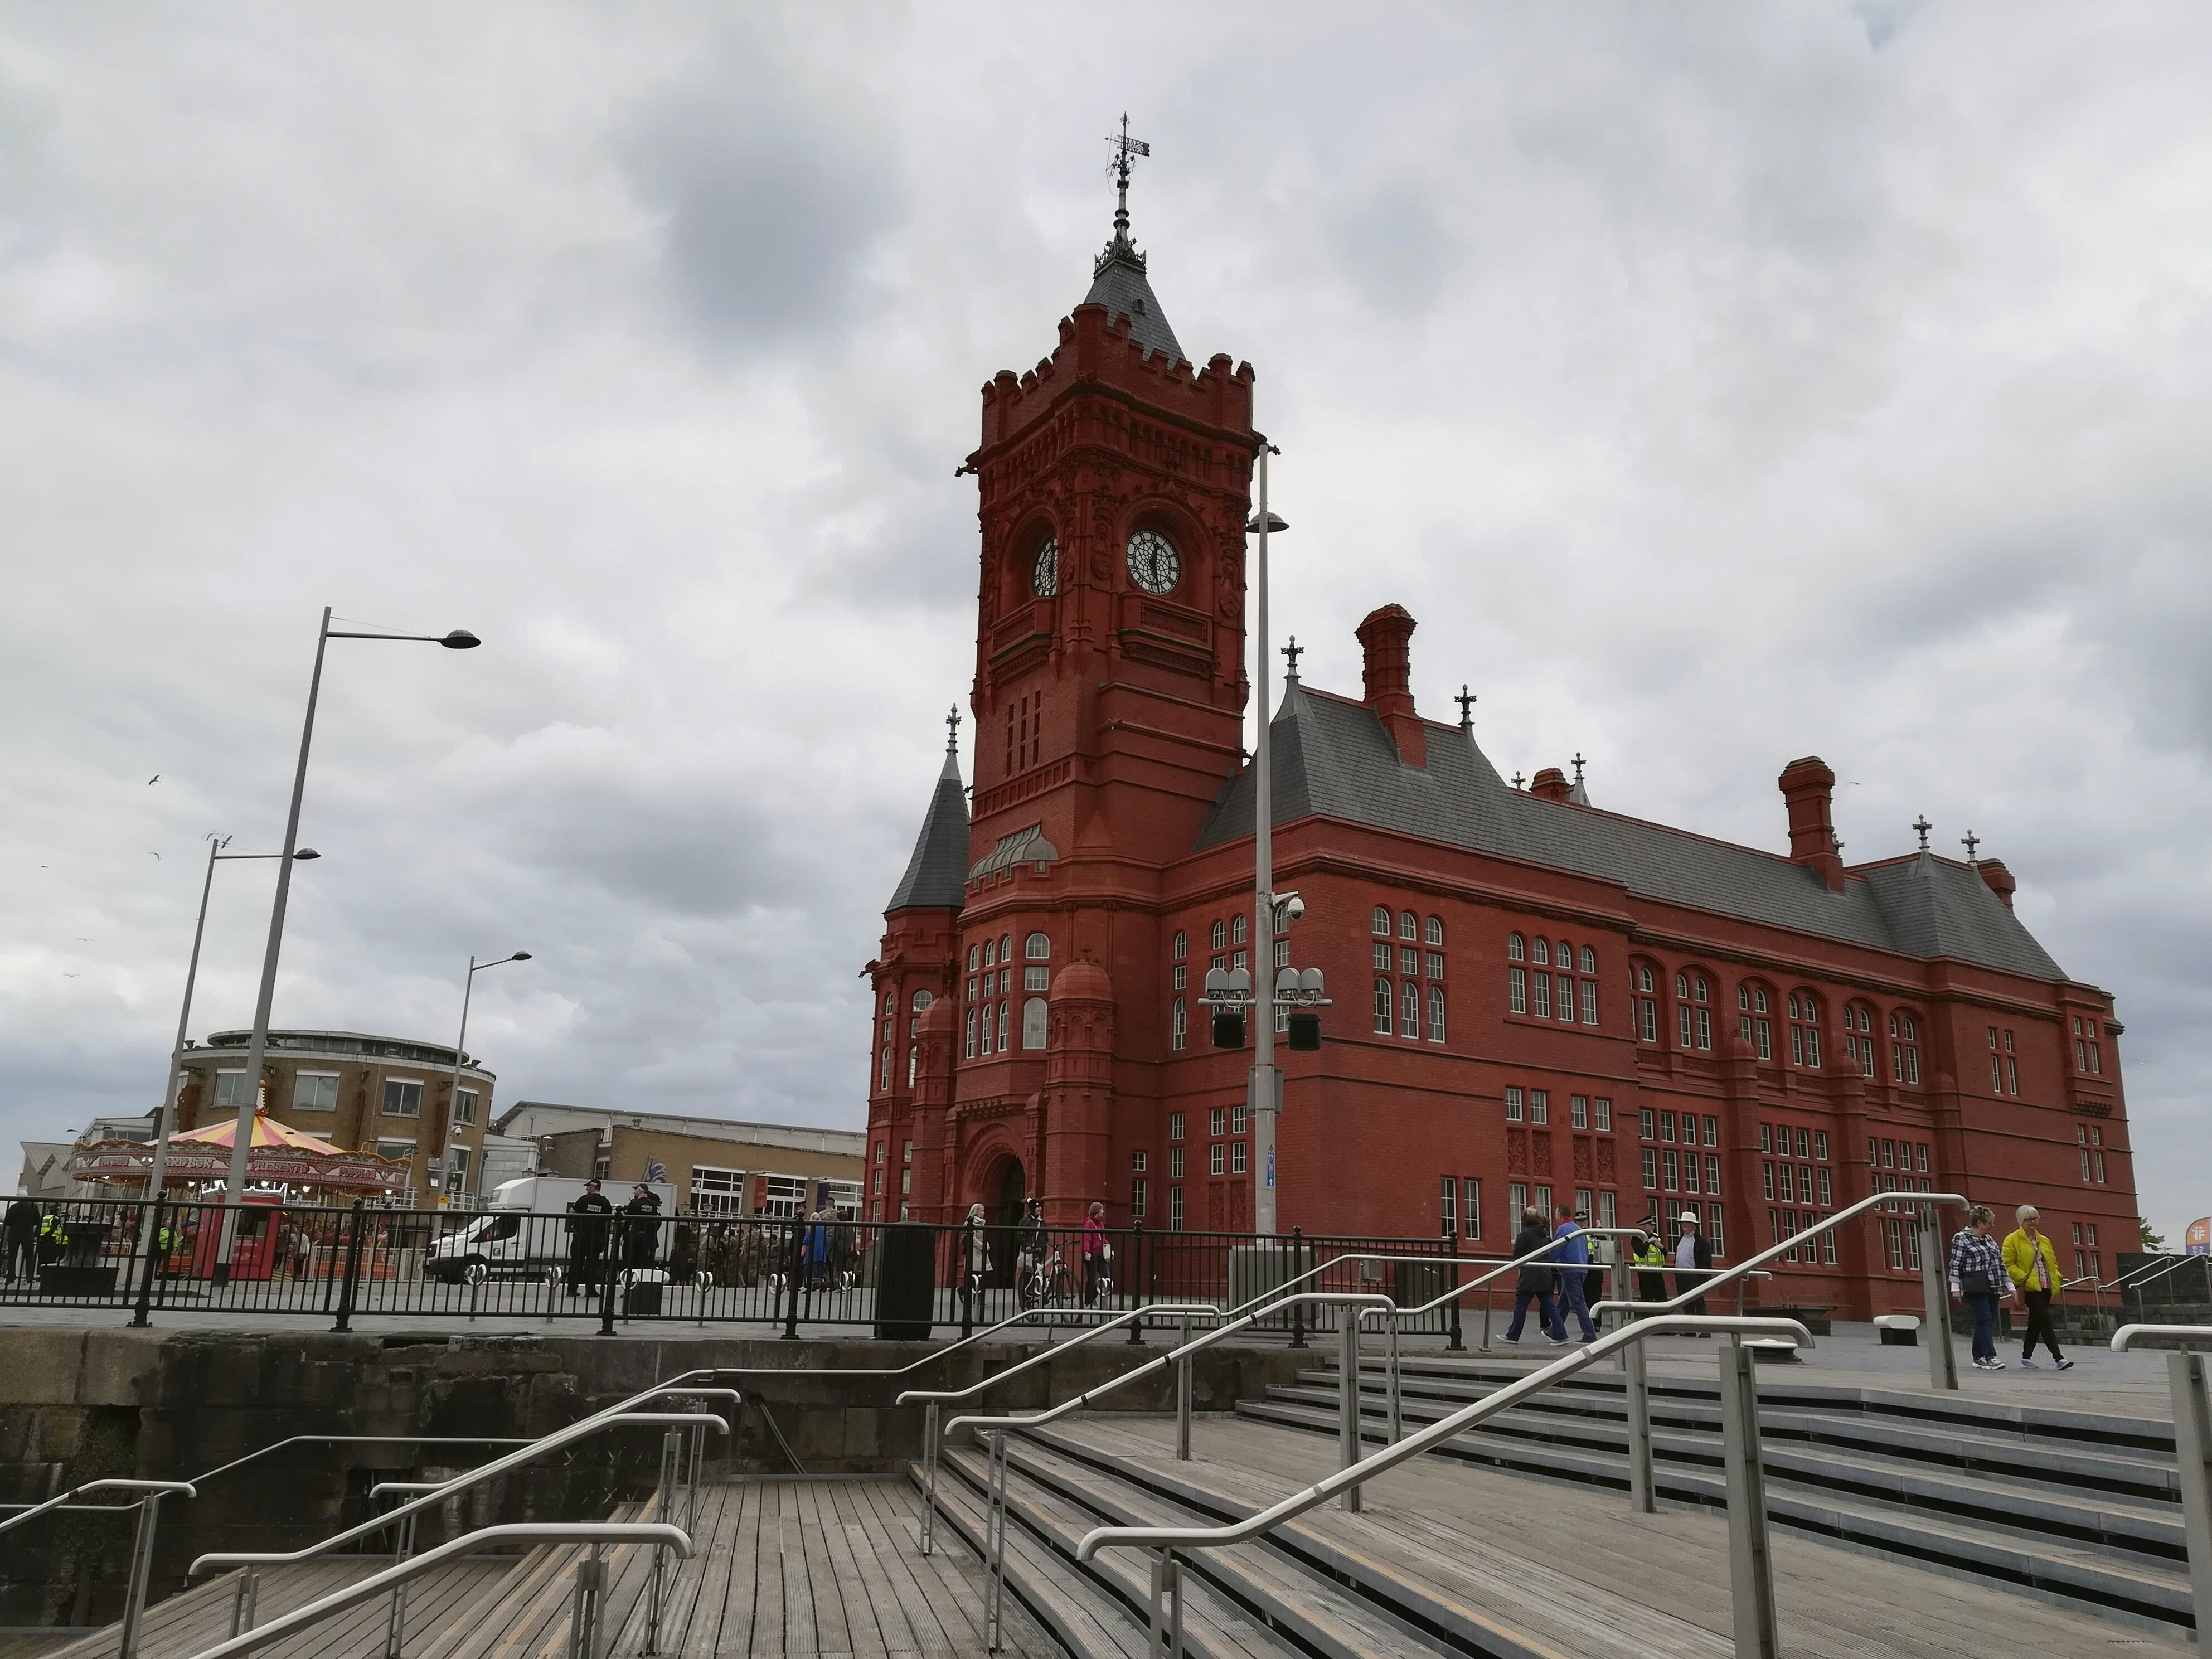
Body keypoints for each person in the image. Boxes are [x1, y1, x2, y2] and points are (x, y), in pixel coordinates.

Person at [2003, 1204, 2073, 1370]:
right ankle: (2059, 1358)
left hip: (2046, 1286)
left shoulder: (2044, 1240)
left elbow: (2051, 1262)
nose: (2033, 1222)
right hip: (2030, 1288)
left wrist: (2057, 1276)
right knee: (2045, 1321)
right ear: (2021, 1221)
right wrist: (2023, 1278)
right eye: (2029, 1219)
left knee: (2036, 1322)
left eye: (2036, 1218)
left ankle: (2026, 1357)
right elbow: (2008, 1264)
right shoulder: (2012, 1240)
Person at [1949, 1204, 2011, 1371]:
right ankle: (1991, 1356)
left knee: (1985, 1321)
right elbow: (1956, 1264)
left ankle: (1978, 1356)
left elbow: (2000, 1263)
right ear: (1980, 1223)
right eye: (1990, 1222)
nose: (1993, 1226)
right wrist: (1955, 1287)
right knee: (1984, 1320)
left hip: (1993, 1285)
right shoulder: (1961, 1238)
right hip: (1975, 1286)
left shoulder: (1990, 1240)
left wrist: (2009, 1284)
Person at [1501, 1206, 1563, 1345]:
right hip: (1544, 1275)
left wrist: (1519, 1265)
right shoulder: (1545, 1235)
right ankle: (1561, 1334)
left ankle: (1513, 1335)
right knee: (1550, 1306)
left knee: (1521, 1305)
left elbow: (1517, 1253)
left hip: (1529, 1276)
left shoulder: (1525, 1234)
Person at [1551, 1206, 1598, 1342]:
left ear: (1560, 1215)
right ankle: (1556, 1331)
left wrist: (1548, 1261)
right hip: (1581, 1269)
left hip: (1571, 1270)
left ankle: (1590, 1334)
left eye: (1556, 1214)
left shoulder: (1563, 1229)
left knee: (1578, 1303)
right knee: (1564, 1303)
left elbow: (1556, 1249)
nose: (1555, 1217)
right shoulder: (1578, 1229)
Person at [564, 1179, 613, 1296]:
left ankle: (572, 1290)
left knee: (576, 1263)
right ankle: (590, 1290)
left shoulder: (584, 1199)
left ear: (593, 1187)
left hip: (581, 1236)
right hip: (596, 1238)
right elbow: (609, 1219)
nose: (587, 1189)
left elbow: (571, 1212)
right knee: (593, 1264)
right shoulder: (605, 1202)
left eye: (588, 1187)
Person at [1674, 1210, 1713, 1326]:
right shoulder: (1680, 1239)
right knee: (1685, 1302)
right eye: (1682, 1223)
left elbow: (1706, 1261)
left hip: (1694, 1276)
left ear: (1693, 1225)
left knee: (1698, 1302)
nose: (1683, 1226)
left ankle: (1704, 1329)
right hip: (1681, 1275)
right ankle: (1690, 1329)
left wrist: (1703, 1277)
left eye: (1686, 1223)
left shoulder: (1701, 1242)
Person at [620, 1184, 663, 1272]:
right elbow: (658, 1223)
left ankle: (630, 1283)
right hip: (649, 1240)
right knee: (645, 1266)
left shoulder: (634, 1204)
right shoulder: (653, 1206)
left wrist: (621, 1233)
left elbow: (627, 1221)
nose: (634, 1192)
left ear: (640, 1191)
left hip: (634, 1239)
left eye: (636, 1190)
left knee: (630, 1265)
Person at [958, 1201, 988, 1323]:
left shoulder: (983, 1223)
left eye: (984, 1210)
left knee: (980, 1275)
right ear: (976, 1212)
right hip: (974, 1252)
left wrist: (986, 1244)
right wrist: (983, 1246)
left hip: (981, 1252)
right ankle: (965, 1292)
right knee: (974, 1275)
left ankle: (977, 1298)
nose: (983, 1213)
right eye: (981, 1211)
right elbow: (974, 1239)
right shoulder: (971, 1223)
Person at [1015, 1199, 1048, 1306]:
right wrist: (1028, 1246)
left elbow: (1045, 1236)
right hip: (1029, 1252)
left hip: (1040, 1251)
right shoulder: (1025, 1221)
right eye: (1038, 1207)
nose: (1040, 1209)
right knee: (1028, 1274)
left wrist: (1046, 1246)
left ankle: (1035, 1294)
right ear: (1033, 1209)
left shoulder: (1042, 1222)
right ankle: (1024, 1298)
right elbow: (1020, 1236)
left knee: (1038, 1273)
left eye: (1040, 1207)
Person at [1081, 1200, 1110, 1307]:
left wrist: (1108, 1246)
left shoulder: (1100, 1223)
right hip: (1092, 1253)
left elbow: (1102, 1238)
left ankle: (1093, 1297)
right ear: (1097, 1211)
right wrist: (1087, 1251)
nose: (1103, 1211)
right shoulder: (1089, 1223)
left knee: (1106, 1277)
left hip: (1100, 1253)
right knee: (1092, 1277)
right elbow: (1087, 1238)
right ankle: (1088, 1302)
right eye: (1101, 1209)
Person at [4, 1195, 38, 1282]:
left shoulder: (13, 1207)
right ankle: (29, 1278)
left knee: (12, 1257)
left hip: (14, 1234)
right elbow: (37, 1220)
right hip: (28, 1234)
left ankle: (11, 1277)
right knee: (29, 1257)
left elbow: (7, 1221)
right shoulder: (33, 1206)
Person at [1632, 1230, 1669, 1307]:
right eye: (1651, 1225)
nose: (1654, 1227)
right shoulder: (1637, 1238)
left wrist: (1661, 1246)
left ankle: (1663, 1313)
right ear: (1645, 1226)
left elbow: (1664, 1253)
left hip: (1657, 1271)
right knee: (1647, 1298)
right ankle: (1648, 1315)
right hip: (1645, 1273)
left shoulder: (1655, 1237)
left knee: (1661, 1296)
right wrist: (1648, 1243)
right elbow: (1641, 1253)